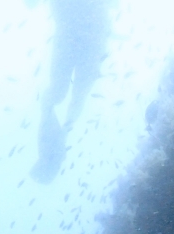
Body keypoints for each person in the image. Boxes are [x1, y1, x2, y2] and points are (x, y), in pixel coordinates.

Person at [29, 0, 115, 183]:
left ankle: (54, 151)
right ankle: (53, 151)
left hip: (78, 35)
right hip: (85, 36)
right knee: (63, 97)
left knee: (66, 97)